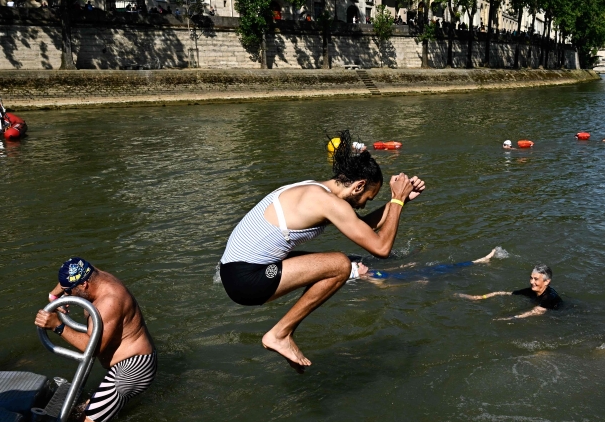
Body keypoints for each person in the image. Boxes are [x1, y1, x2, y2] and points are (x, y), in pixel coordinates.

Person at [218, 129, 425, 370]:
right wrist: (396, 200)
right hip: (245, 279)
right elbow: (381, 248)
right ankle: (279, 334)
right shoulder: (328, 202)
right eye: (369, 198)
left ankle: (282, 335)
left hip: (236, 271)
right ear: (358, 186)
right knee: (340, 265)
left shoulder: (317, 190)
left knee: (340, 263)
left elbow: (363, 227)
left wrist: (401, 201)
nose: (366, 203)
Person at [35, 258, 156, 422]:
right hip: (124, 364)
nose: (67, 295)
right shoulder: (91, 273)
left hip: (134, 368)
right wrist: (54, 297)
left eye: (70, 291)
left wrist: (58, 326)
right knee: (80, 411)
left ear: (83, 285)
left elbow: (92, 349)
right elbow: (68, 274)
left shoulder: (109, 302)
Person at [458, 264, 562, 318]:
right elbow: (507, 293)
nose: (531, 282)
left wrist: (510, 317)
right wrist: (480, 297)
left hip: (560, 316)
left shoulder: (550, 297)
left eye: (536, 279)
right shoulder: (532, 291)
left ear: (547, 281)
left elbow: (535, 312)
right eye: (531, 278)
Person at [363, 248, 500, 284]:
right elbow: (390, 286)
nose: (360, 264)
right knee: (446, 274)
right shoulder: (372, 279)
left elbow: (390, 270)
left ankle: (479, 261)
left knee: (444, 267)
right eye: (358, 266)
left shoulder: (373, 271)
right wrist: (416, 282)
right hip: (415, 277)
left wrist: (407, 264)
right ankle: (478, 264)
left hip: (415, 272)